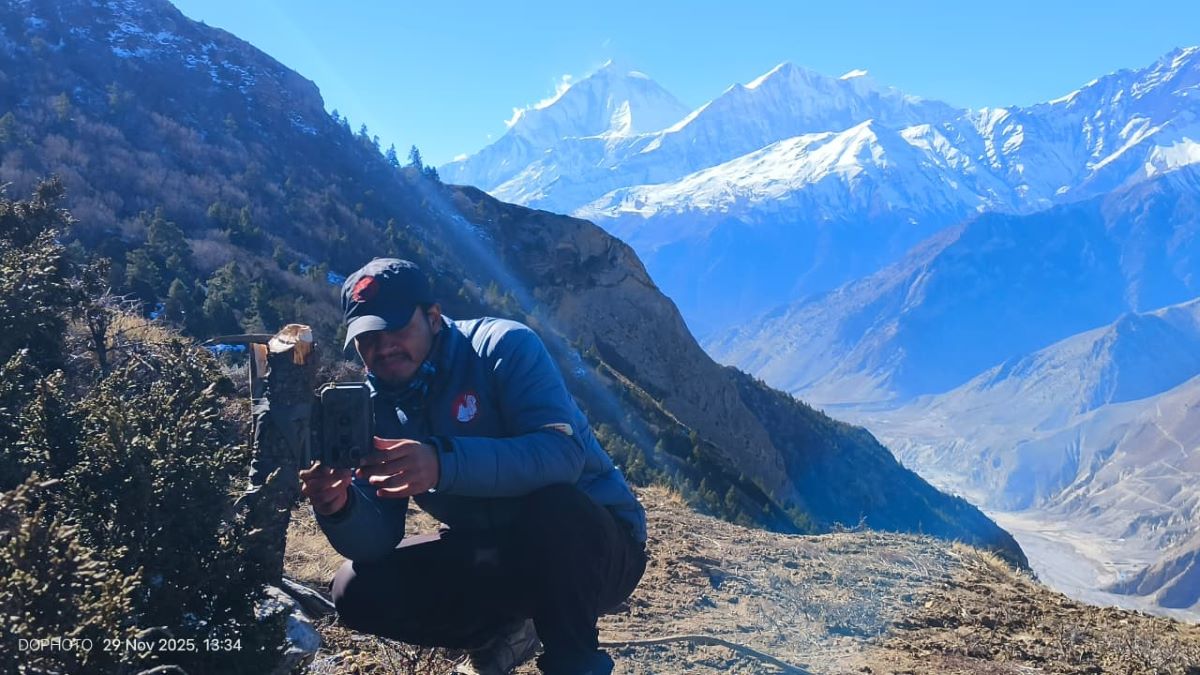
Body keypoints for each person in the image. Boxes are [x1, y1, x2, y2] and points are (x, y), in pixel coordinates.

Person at [299, 258, 648, 675]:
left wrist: (442, 463)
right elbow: (376, 540)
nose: (383, 346)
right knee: (354, 590)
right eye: (368, 337)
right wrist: (342, 509)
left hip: (599, 549)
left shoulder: (503, 347)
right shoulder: (374, 407)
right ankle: (503, 634)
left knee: (557, 510)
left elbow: (561, 456)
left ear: (432, 317)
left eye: (396, 328)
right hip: (495, 551)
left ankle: (574, 662)